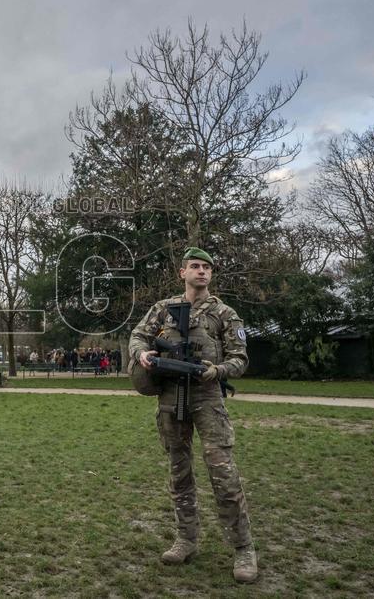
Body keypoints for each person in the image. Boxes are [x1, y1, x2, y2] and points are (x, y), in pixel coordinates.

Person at [126, 247, 257, 583]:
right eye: (194, 267)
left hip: (207, 397)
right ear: (182, 273)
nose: (201, 272)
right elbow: (138, 336)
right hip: (171, 396)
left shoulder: (224, 313)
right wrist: (142, 354)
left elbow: (240, 359)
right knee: (178, 472)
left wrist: (217, 370)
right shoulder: (164, 309)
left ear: (211, 274)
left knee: (224, 477)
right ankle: (186, 539)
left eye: (206, 268)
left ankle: (243, 549)